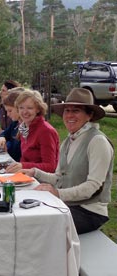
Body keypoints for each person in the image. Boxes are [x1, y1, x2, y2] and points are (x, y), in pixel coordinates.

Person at [23, 88, 114, 234]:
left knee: (38, 227)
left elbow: (94, 186)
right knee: (27, 215)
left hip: (90, 212)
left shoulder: (97, 141)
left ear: (89, 115)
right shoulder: (68, 141)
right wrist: (34, 172)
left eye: (76, 111)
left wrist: (58, 193)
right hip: (68, 205)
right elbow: (59, 178)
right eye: (67, 110)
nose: (69, 115)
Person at [5, 89, 59, 173]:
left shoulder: (45, 131)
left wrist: (23, 166)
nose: (25, 112)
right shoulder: (24, 127)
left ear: (38, 109)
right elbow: (24, 158)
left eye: (29, 108)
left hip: (43, 181)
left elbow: (51, 166)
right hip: (27, 177)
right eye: (21, 108)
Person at [0, 88, 23, 162]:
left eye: (10, 111)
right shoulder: (15, 124)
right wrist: (2, 138)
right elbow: (4, 134)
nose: (8, 114)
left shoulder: (26, 128)